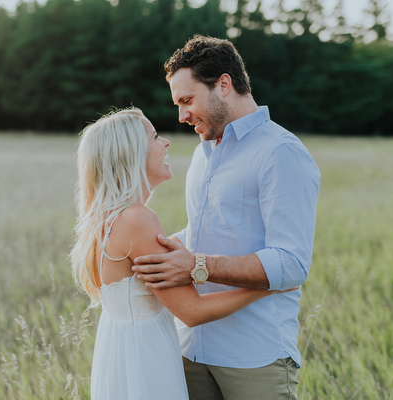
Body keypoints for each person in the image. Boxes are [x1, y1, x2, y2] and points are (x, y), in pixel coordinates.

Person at [132, 35, 321, 399]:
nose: (181, 115)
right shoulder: (205, 151)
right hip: (190, 348)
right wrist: (151, 247)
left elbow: (291, 263)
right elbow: (207, 229)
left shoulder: (281, 153)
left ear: (223, 84)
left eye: (187, 100)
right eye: (177, 104)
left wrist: (196, 265)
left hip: (254, 354)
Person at [70, 107, 294, 400]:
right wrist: (270, 286)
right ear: (131, 153)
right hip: (145, 359)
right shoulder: (138, 219)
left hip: (120, 353)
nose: (166, 143)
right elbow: (192, 311)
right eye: (155, 137)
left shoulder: (106, 220)